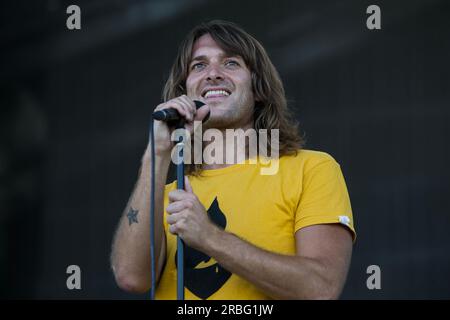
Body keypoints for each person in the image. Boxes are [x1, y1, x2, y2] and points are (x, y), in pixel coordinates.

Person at [111, 20, 356, 300]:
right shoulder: (168, 195)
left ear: (259, 88)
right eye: (198, 65)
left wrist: (209, 238)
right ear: (184, 93)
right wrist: (156, 155)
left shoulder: (311, 169)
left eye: (230, 63)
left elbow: (321, 289)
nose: (213, 74)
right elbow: (131, 277)